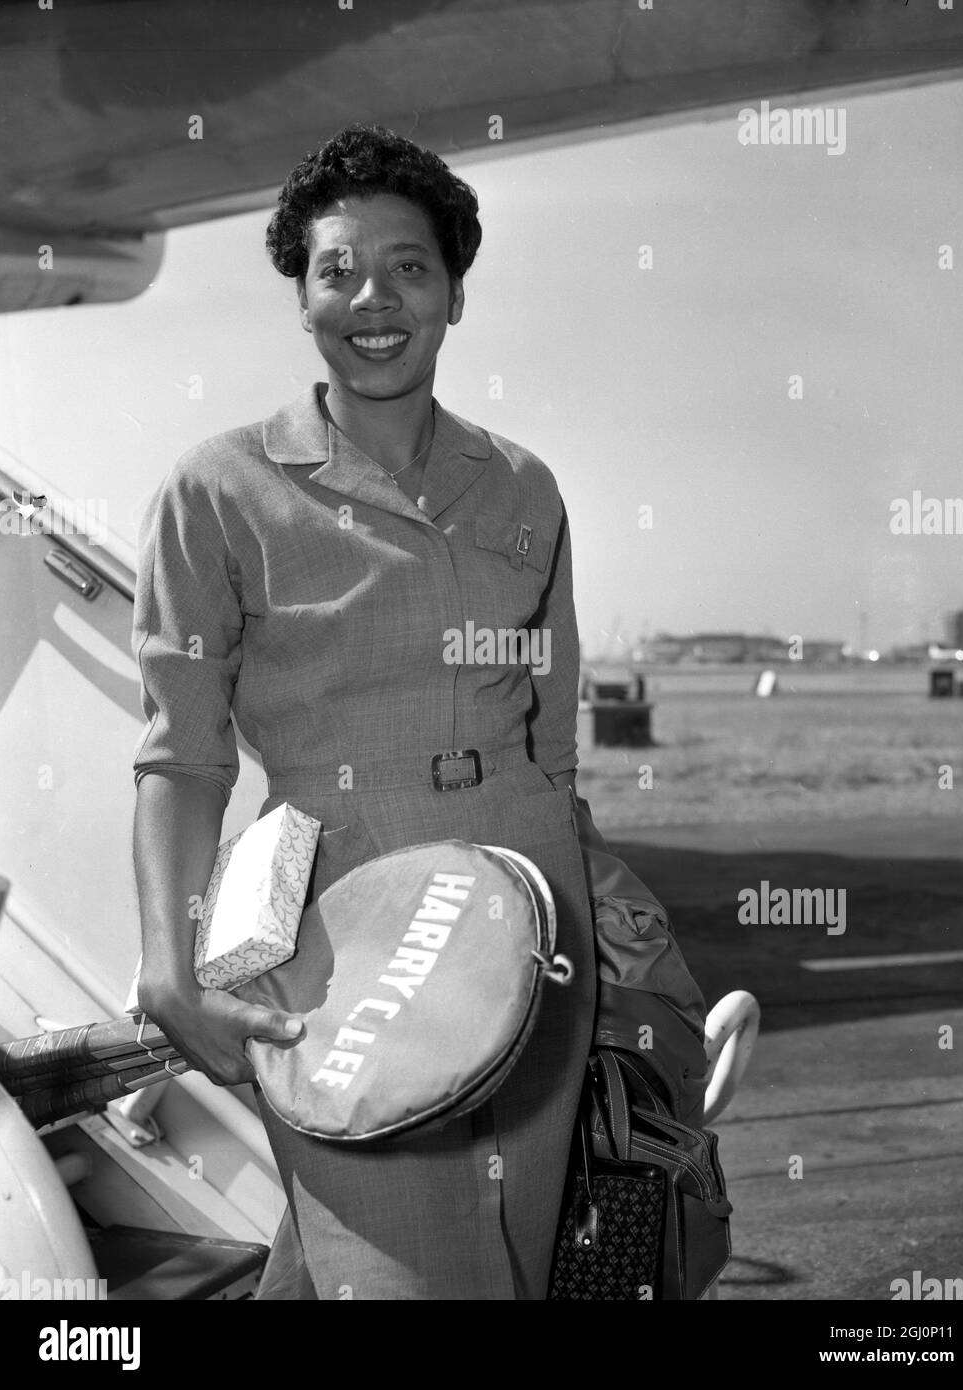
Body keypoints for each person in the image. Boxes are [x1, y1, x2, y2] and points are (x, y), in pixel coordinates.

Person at [131, 124, 706, 1300]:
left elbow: (552, 745)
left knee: (520, 1256)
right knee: (390, 1269)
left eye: (409, 267)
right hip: (347, 936)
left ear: (453, 293)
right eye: (336, 269)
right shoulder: (216, 490)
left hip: (537, 922)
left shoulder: (523, 486)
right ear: (299, 295)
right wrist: (168, 963)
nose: (372, 298)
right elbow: (181, 758)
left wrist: (622, 953)